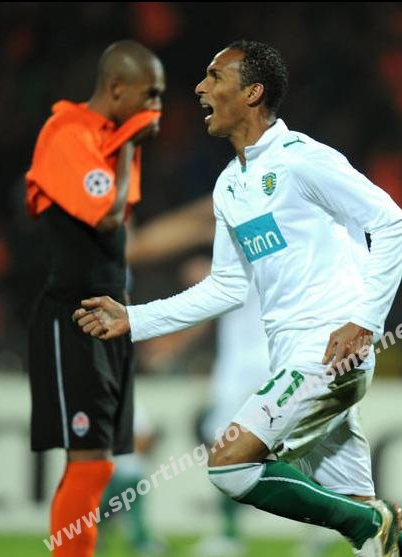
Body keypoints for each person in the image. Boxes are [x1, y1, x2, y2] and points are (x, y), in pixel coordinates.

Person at [75, 40, 402, 557]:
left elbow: (393, 223)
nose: (200, 88)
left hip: (329, 350)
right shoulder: (230, 186)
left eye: (215, 77)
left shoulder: (303, 160)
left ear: (253, 93)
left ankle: (368, 521)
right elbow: (225, 287)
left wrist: (365, 321)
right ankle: (370, 521)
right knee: (372, 540)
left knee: (230, 463)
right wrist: (134, 320)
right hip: (292, 354)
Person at [24, 40, 164, 557]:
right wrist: (128, 145)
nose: (157, 107)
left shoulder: (108, 138)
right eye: (151, 94)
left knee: (100, 461)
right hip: (75, 315)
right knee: (89, 463)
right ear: (117, 88)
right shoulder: (69, 133)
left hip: (108, 316)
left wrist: (125, 142)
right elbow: (105, 214)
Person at [127, 196, 270, 556]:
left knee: (225, 448)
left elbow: (159, 246)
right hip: (264, 360)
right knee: (242, 447)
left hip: (246, 366)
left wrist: (169, 342)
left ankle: (230, 535)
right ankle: (233, 532)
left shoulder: (253, 231)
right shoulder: (272, 238)